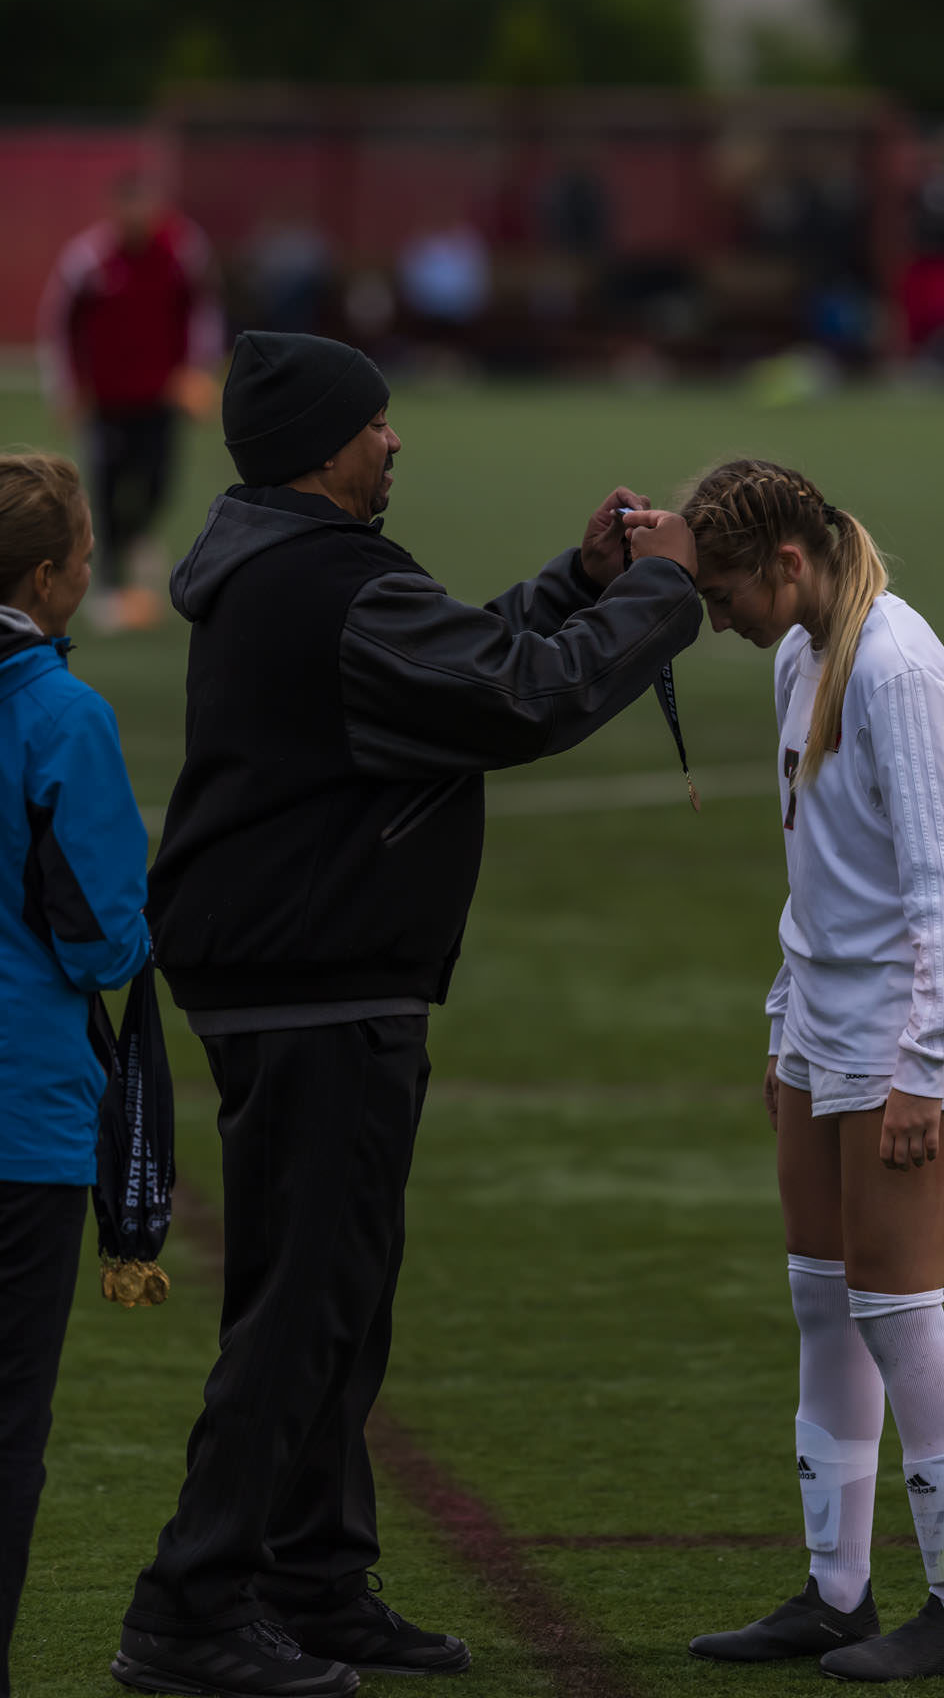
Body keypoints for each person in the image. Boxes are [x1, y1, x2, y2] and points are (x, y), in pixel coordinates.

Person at [113, 330, 700, 1698]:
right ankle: (188, 1612)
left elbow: (462, 655)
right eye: (374, 426)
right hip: (314, 977)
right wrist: (658, 596)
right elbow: (517, 697)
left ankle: (314, 1582)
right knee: (305, 1306)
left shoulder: (287, 567)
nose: (393, 443)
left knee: (335, 1300)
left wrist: (576, 580)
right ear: (322, 449)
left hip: (296, 971)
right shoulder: (331, 582)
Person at [680, 459, 944, 1683]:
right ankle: (834, 1592)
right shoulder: (797, 653)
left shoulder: (895, 668)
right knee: (821, 1296)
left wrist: (922, 1063)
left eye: (725, 593)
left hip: (904, 1026)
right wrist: (782, 1019)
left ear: (788, 565)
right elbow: (816, 869)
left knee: (893, 1306)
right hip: (822, 1017)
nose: (716, 617)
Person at [0, 452, 151, 1698]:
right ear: (46, 579)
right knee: (3, 1429)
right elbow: (103, 933)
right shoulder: (62, 716)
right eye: (86, 558)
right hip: (19, 1117)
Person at [36, 170, 224, 632]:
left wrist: (197, 370)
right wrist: (67, 389)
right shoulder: (88, 259)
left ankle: (140, 540)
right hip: (106, 400)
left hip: (162, 395)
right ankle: (114, 587)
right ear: (114, 209)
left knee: (159, 480)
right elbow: (59, 324)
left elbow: (201, 311)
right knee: (106, 486)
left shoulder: (181, 250)